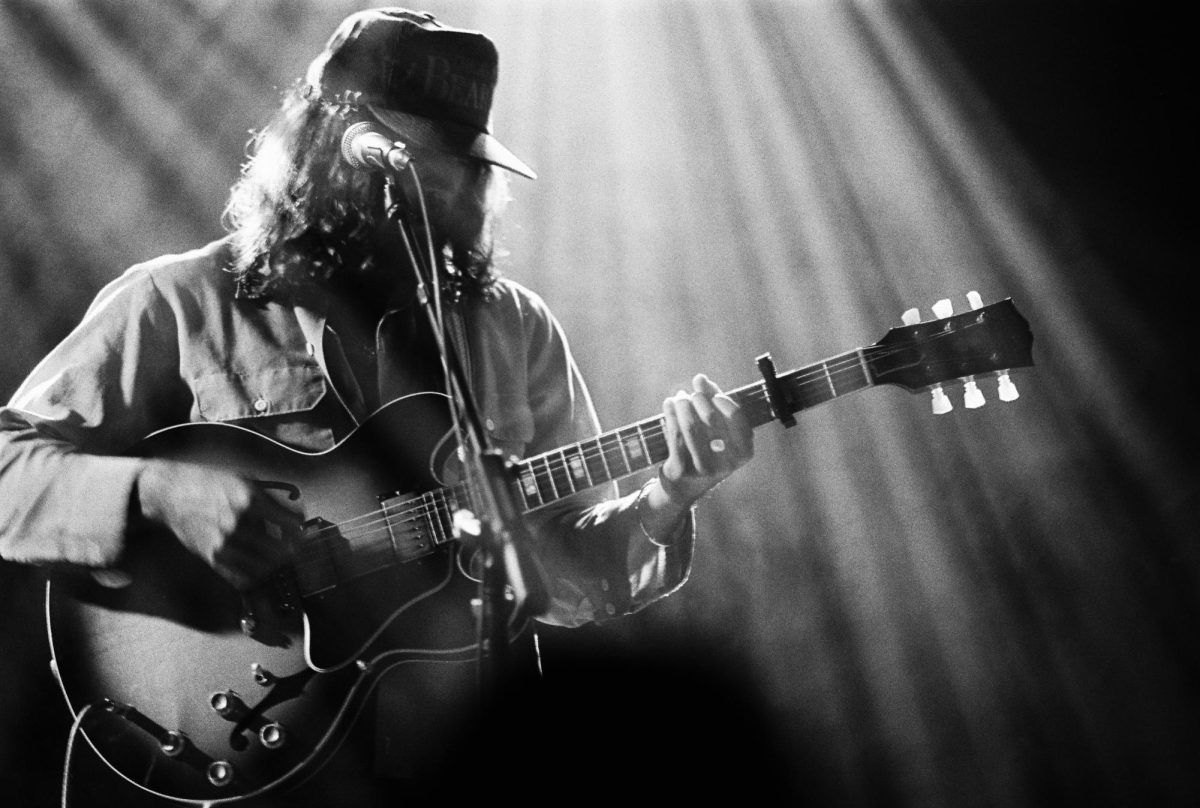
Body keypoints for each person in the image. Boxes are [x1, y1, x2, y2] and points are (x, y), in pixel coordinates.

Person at [0, 8, 753, 805]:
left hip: (446, 756)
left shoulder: (513, 330)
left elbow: (567, 580)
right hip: (248, 761)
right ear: (327, 145)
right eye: (414, 160)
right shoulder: (181, 302)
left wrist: (669, 498)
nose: (448, 187)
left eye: (462, 165)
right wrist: (160, 492)